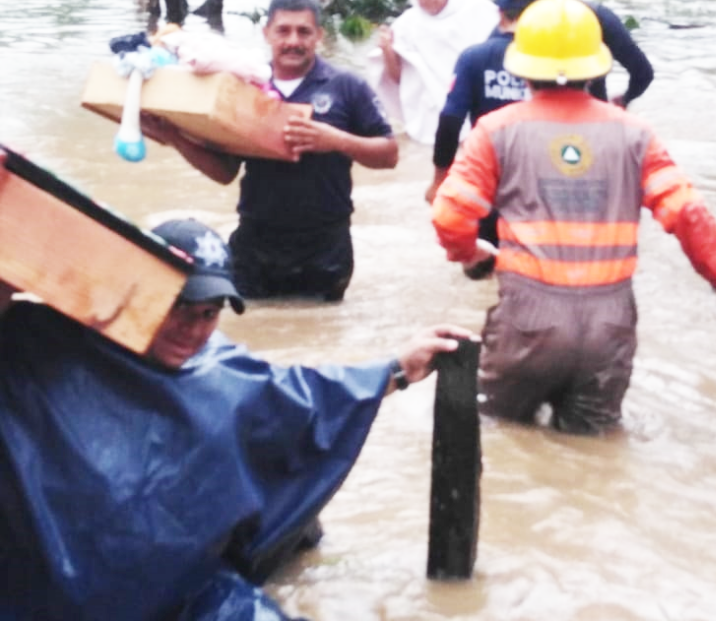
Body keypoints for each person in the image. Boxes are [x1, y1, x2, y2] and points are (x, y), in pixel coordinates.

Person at [0, 204, 476, 621]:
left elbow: (308, 400)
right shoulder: (45, 344)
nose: (192, 329)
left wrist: (398, 368)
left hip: (189, 591)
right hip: (46, 587)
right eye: (180, 308)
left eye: (209, 314)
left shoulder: (222, 373)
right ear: (142, 293)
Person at [431, 0, 716, 435]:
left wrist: (471, 252)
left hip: (528, 321)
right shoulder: (635, 134)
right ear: (598, 65)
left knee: (496, 438)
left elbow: (450, 216)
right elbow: (689, 216)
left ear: (522, 66)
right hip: (609, 326)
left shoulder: (496, 131)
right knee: (593, 448)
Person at [146, 0, 398, 302]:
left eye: (304, 31)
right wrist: (175, 137)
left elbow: (389, 154)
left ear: (319, 35)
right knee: (251, 329)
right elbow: (225, 172)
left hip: (324, 246)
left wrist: (335, 140)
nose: (293, 40)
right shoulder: (244, 86)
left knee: (318, 336)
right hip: (255, 242)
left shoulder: (346, 86)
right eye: (283, 31)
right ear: (267, 33)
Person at [425, 0, 542, 279]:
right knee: (534, 273)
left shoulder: (474, 58)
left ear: (499, 14)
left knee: (483, 275)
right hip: (539, 185)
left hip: (486, 183)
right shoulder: (554, 60)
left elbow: (450, 119)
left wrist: (439, 179)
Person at [371, 0, 499, 144]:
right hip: (428, 120)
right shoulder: (406, 24)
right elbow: (397, 80)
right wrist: (387, 50)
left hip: (473, 110)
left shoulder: (477, 8)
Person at [534, 0, 654, 107]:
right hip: (592, 116)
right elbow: (643, 72)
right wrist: (625, 99)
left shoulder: (520, 17)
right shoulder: (600, 17)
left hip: (536, 115)